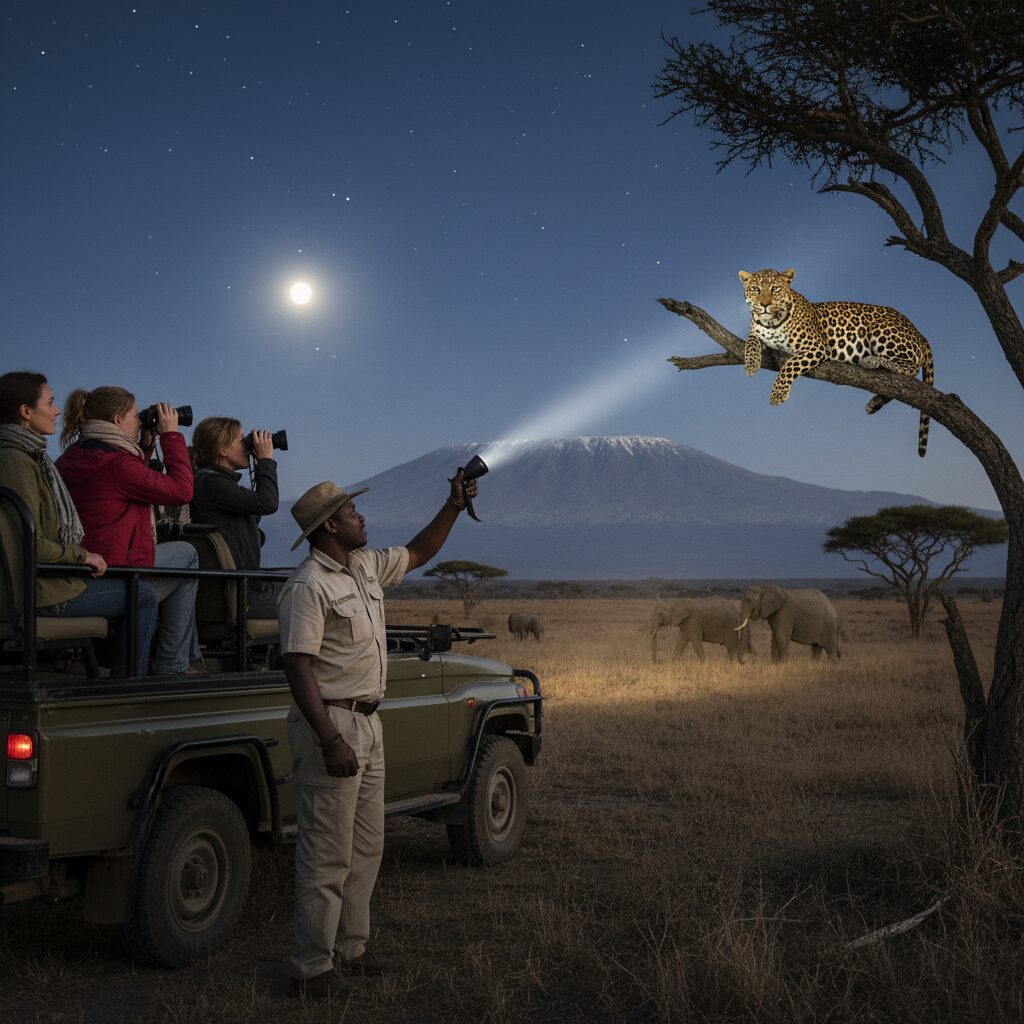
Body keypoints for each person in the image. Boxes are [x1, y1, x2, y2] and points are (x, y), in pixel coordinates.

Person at [278, 469, 478, 999]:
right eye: (350, 513)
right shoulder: (308, 586)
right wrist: (329, 739)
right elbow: (298, 666)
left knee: (367, 847)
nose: (360, 517)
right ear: (329, 527)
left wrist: (453, 505)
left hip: (369, 721)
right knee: (327, 851)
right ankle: (311, 967)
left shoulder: (363, 567)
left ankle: (351, 949)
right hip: (336, 724)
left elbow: (418, 551)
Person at [0, 372, 158, 676]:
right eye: (50, 402)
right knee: (144, 594)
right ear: (25, 411)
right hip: (37, 593)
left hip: (38, 583)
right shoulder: (16, 460)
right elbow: (29, 542)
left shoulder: (30, 457)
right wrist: (81, 555)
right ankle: (129, 688)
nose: (57, 410)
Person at [55, 387, 202, 674]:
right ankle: (172, 664)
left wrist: (145, 446)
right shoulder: (118, 465)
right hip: (116, 565)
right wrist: (171, 435)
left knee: (182, 556)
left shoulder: (77, 455)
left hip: (90, 559)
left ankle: (171, 659)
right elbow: (182, 490)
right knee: (188, 556)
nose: (141, 421)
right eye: (137, 415)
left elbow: (129, 484)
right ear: (117, 420)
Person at [188, 417, 280, 617]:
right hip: (241, 594)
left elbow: (254, 515)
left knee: (303, 584)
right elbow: (268, 504)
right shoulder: (212, 484)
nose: (247, 445)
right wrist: (266, 462)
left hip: (242, 587)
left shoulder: (211, 482)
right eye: (241, 440)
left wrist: (259, 467)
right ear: (222, 450)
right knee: (310, 594)